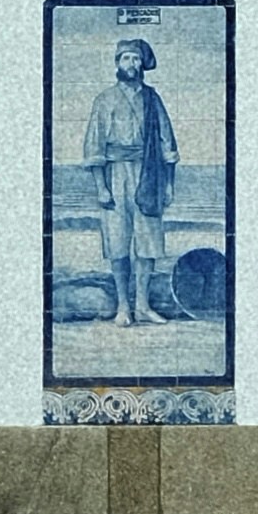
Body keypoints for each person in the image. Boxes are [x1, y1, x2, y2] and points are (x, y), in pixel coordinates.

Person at [81, 30, 182, 322]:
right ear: (118, 62)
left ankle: (143, 306)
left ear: (142, 64)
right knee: (117, 241)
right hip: (115, 176)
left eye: (136, 58)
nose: (131, 63)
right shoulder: (104, 100)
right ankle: (123, 307)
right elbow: (94, 145)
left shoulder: (153, 99)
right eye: (126, 58)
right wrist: (101, 187)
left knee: (148, 240)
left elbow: (167, 144)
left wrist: (169, 185)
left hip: (148, 175)